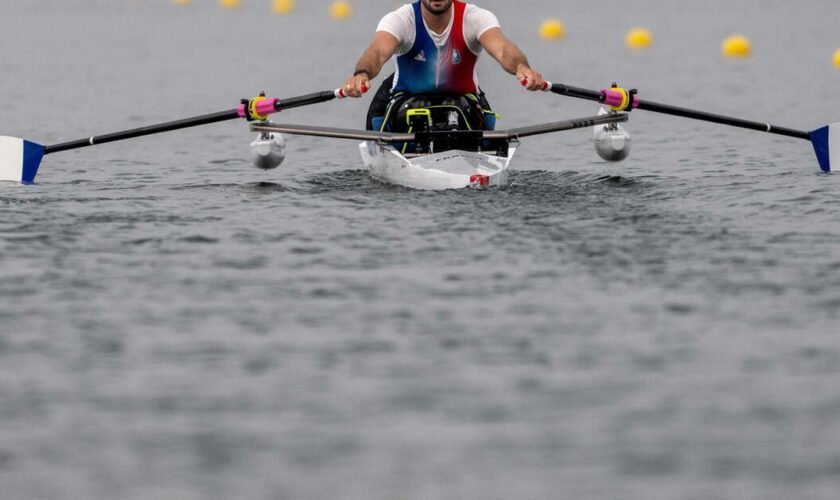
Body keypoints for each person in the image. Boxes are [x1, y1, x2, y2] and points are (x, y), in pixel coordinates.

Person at [343, 0, 545, 132]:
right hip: (406, 101)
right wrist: (362, 73)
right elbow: (377, 52)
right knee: (405, 112)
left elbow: (502, 49)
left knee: (463, 109)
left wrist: (521, 67)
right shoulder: (401, 19)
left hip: (461, 101)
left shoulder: (474, 17)